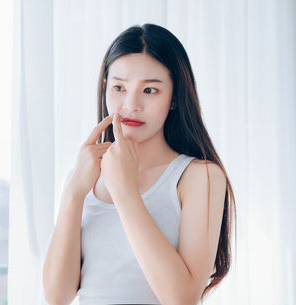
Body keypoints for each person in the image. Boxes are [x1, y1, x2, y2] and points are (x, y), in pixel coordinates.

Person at [43, 23, 236, 305]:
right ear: (106, 88)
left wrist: (125, 192)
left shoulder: (199, 177)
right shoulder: (83, 176)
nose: (131, 104)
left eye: (150, 90)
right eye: (119, 87)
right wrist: (73, 193)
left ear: (174, 99)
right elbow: (57, 297)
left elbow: (182, 298)